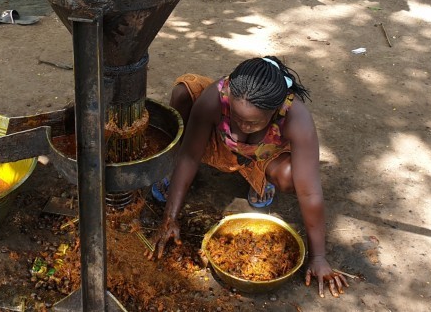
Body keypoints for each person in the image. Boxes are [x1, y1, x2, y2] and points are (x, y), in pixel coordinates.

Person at [146, 56, 349, 298]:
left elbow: (310, 192)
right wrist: (170, 218)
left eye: (252, 122)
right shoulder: (216, 97)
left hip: (262, 156)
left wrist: (318, 257)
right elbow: (190, 156)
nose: (242, 126)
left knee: (289, 177)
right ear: (229, 94)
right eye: (236, 117)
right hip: (219, 144)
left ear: (275, 111)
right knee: (184, 91)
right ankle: (174, 175)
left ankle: (259, 179)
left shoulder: (295, 118)